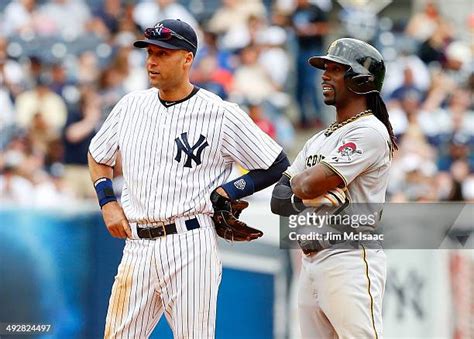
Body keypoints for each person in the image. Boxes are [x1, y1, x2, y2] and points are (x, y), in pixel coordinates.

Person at [88, 19, 288, 338]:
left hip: (189, 243)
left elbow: (276, 163)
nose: (152, 61)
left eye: (162, 54)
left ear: (186, 58)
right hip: (137, 245)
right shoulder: (130, 106)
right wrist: (107, 202)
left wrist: (229, 190)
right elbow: (98, 154)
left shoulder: (219, 113)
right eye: (149, 52)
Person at [271, 38, 397, 338]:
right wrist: (312, 197)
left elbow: (304, 183)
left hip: (349, 255)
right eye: (325, 68)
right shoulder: (317, 139)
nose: (325, 75)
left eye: (336, 69)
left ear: (361, 80)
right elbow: (279, 198)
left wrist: (304, 191)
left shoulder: (369, 131)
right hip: (312, 259)